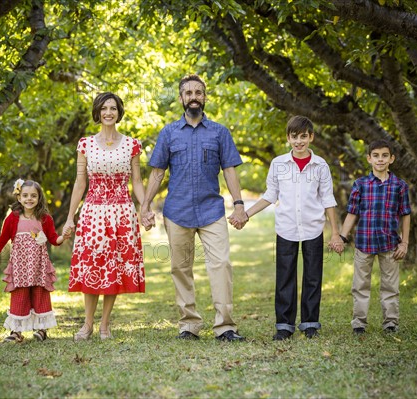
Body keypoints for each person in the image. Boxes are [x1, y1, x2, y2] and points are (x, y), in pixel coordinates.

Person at [141, 74, 248, 342]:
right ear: (180, 99)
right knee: (180, 267)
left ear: (205, 97)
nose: (193, 97)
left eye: (198, 92)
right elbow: (157, 173)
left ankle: (225, 327)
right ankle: (188, 325)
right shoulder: (168, 133)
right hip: (177, 211)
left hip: (212, 210)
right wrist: (144, 207)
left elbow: (230, 170)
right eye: (188, 93)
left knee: (221, 264)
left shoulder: (220, 132)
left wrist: (238, 205)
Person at [239, 115, 343, 341]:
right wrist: (246, 214)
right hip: (286, 227)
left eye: (303, 137)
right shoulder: (278, 164)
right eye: (294, 137)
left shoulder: (320, 165)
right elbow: (269, 195)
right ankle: (284, 325)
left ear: (311, 137)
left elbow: (328, 200)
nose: (299, 141)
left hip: (313, 228)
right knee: (285, 276)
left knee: (313, 277)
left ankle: (310, 323)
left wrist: (335, 233)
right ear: (288, 138)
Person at [63, 92, 146, 341]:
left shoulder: (132, 145)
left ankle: (105, 326)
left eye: (113, 108)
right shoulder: (85, 144)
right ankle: (87, 325)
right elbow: (80, 182)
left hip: (122, 212)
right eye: (104, 108)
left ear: (119, 112)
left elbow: (138, 181)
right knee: (92, 265)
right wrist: (70, 217)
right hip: (93, 212)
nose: (108, 112)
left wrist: (145, 207)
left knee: (115, 267)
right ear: (97, 113)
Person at [337, 139, 411, 335]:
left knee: (390, 287)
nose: (380, 160)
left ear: (392, 159)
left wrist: (404, 242)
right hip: (363, 243)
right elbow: (352, 213)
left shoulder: (399, 186)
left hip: (390, 245)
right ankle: (359, 323)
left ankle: (390, 323)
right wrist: (342, 237)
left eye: (384, 155)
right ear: (369, 159)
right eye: (376, 156)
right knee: (360, 285)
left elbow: (405, 215)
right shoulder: (360, 184)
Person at [0, 179, 67, 343]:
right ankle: (16, 331)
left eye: (33, 195)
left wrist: (63, 237)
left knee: (40, 293)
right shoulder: (12, 218)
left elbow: (53, 239)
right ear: (19, 198)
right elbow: (3, 238)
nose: (29, 199)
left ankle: (42, 329)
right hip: (20, 266)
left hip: (39, 265)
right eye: (25, 195)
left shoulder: (45, 218)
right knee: (19, 295)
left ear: (39, 198)